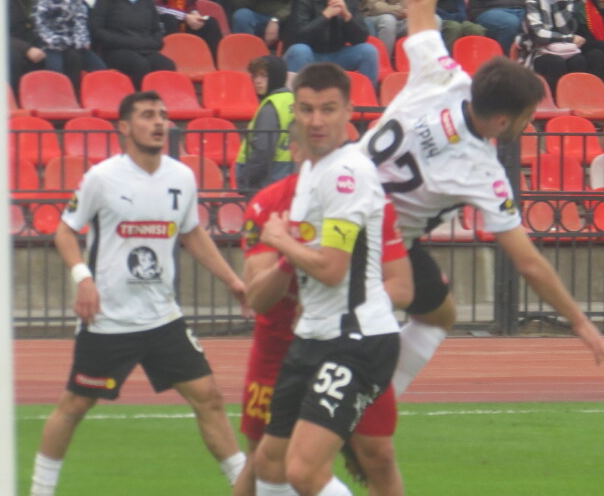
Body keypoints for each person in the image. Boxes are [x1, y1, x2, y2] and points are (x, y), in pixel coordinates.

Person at [365, 0, 604, 397]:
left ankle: (372, 389)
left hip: (338, 194)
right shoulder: (481, 170)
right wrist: (579, 320)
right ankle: (367, 393)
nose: (529, 123)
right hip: (374, 244)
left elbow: (418, 1)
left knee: (439, 313)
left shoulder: (445, 77)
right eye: (526, 116)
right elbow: (528, 262)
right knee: (365, 332)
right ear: (503, 120)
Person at [30, 91, 249, 496]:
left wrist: (233, 281)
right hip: (109, 320)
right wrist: (83, 278)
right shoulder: (102, 177)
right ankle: (40, 490)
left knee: (209, 398)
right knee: (75, 405)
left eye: (163, 115)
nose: (159, 122)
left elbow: (192, 233)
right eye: (148, 115)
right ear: (125, 127)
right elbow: (65, 231)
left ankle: (247, 486)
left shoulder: (182, 177)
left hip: (163, 317)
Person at [250, 63, 399, 496]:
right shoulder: (314, 172)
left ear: (349, 112)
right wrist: (288, 257)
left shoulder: (346, 174)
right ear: (294, 111)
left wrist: (282, 241)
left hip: (355, 340)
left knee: (304, 470)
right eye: (307, 109)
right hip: (314, 335)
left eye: (328, 109)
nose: (316, 120)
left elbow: (332, 270)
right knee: (270, 461)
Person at [235, 166, 413, 495]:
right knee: (263, 458)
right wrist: (289, 259)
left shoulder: (362, 198)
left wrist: (347, 305)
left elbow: (402, 287)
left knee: (378, 455)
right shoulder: (269, 203)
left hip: (350, 344)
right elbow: (257, 298)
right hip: (281, 349)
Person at [284, 0, 378, 82]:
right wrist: (325, 16)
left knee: (369, 51)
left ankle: (368, 94)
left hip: (337, 55)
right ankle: (293, 94)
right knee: (299, 50)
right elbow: (298, 37)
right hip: (311, 54)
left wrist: (347, 16)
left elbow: (361, 38)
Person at [89, 0, 174, 88]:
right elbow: (97, 30)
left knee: (167, 65)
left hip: (145, 49)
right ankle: (140, 98)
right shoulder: (106, 0)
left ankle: (162, 99)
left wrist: (150, 43)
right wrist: (125, 41)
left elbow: (156, 31)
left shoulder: (148, 2)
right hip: (116, 51)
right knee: (140, 65)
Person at [522, 0, 589, 89]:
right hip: (540, 51)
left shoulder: (570, 2)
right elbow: (538, 35)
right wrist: (568, 38)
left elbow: (567, 29)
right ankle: (556, 98)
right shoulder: (533, 1)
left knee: (579, 60)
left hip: (565, 50)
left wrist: (559, 1)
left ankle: (574, 98)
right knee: (555, 63)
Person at [33, 0, 98, 83]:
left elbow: (80, 17)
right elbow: (39, 22)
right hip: (51, 43)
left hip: (73, 42)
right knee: (56, 70)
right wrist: (56, 41)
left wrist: (79, 40)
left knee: (98, 67)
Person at [235, 56, 294, 190]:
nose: (257, 81)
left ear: (276, 77)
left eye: (264, 76)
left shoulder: (271, 106)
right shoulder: (294, 100)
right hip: (289, 175)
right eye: (255, 76)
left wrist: (245, 179)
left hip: (268, 181)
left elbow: (263, 151)